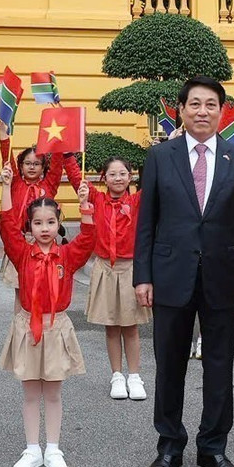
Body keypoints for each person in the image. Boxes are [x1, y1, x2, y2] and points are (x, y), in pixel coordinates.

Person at [134, 76, 234, 467]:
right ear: (181, 110)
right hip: (170, 276)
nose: (202, 111)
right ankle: (169, 446)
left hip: (223, 277)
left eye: (210, 104)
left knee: (219, 367)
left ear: (221, 111)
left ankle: (213, 447)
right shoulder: (160, 157)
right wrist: (143, 275)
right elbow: (146, 222)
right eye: (194, 104)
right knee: (169, 366)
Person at [0, 166, 93, 467]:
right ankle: (31, 449)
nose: (45, 228)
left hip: (56, 328)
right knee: (30, 392)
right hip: (28, 326)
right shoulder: (23, 254)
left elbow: (89, 239)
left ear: (59, 223)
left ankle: (53, 449)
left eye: (50, 222)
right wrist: (6, 185)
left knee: (52, 392)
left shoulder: (67, 255)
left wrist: (85, 203)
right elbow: (6, 226)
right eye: (38, 223)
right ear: (30, 226)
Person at [85, 156, 151, 400]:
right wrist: (67, 155)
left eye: (123, 173)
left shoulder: (136, 201)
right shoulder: (98, 199)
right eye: (112, 174)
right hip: (105, 268)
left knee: (131, 327)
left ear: (130, 176)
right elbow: (74, 176)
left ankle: (134, 376)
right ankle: (117, 375)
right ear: (104, 177)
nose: (118, 178)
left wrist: (163, 149)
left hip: (130, 269)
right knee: (111, 327)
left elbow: (155, 180)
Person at [0, 119, 79, 297]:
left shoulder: (49, 184)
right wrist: (3, 133)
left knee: (44, 289)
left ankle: (45, 323)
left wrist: (58, 140)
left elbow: (57, 165)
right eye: (28, 163)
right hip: (21, 243)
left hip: (44, 243)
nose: (32, 167)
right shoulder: (15, 182)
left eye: (36, 164)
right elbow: (6, 158)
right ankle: (22, 323)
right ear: (21, 165)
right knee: (22, 291)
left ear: (43, 167)